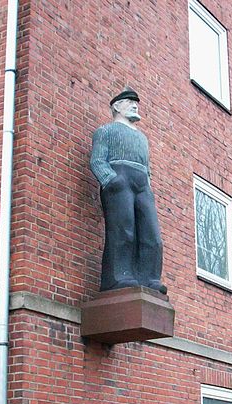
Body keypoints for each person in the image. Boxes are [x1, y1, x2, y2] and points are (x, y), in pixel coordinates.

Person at [90, 86, 166, 294]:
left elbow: (148, 168)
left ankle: (150, 278)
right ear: (116, 106)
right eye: (129, 102)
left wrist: (147, 186)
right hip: (119, 180)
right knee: (123, 230)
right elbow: (97, 161)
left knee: (151, 234)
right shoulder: (105, 131)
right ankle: (118, 277)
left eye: (136, 102)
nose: (134, 105)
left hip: (141, 183)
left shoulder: (142, 138)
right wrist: (111, 180)